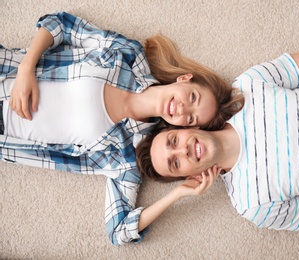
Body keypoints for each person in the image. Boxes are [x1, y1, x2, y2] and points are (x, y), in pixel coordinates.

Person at [0, 12, 244, 245]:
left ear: (185, 128)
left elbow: (118, 231)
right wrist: (26, 68)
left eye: (190, 119)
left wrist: (178, 193)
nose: (181, 109)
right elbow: (61, 24)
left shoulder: (130, 155)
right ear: (185, 79)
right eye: (192, 98)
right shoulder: (128, 55)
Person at [136, 34, 299, 238]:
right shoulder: (254, 205)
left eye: (174, 142)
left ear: (187, 128)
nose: (183, 151)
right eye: (175, 162)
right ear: (191, 177)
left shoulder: (249, 85)